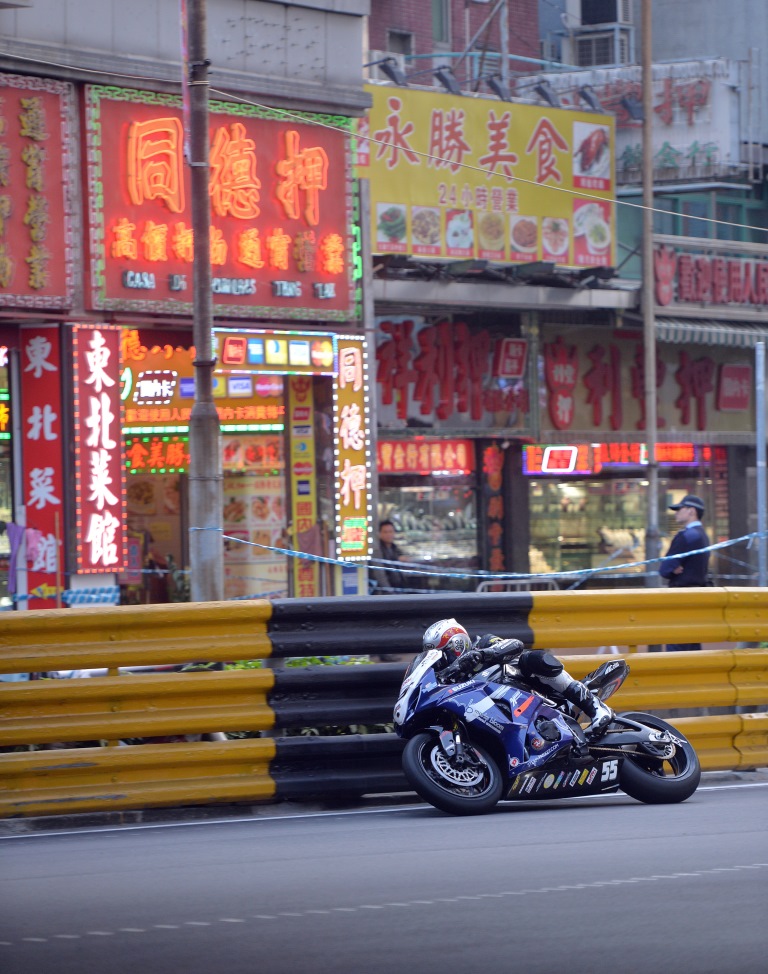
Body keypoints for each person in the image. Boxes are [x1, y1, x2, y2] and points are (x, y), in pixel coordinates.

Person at [422, 618, 614, 740]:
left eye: (443, 654)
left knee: (532, 658)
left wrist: (484, 654)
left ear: (457, 645)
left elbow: (515, 644)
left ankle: (596, 707)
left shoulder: (483, 643)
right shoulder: (455, 681)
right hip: (510, 719)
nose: (442, 661)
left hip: (537, 693)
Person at [659, 494, 710, 652]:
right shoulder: (702, 535)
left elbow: (664, 569)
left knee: (677, 645)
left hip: (680, 598)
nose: (676, 513)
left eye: (679, 509)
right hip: (697, 598)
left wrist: (673, 568)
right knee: (692, 647)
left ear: (691, 511)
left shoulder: (686, 536)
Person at [371, 519, 408, 595]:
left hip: (398, 589)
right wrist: (390, 593)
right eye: (385, 532)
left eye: (391, 532)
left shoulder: (394, 548)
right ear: (379, 534)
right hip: (385, 594)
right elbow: (380, 575)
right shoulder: (377, 551)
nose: (389, 534)